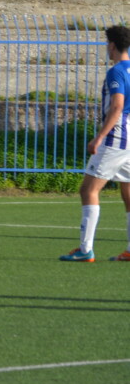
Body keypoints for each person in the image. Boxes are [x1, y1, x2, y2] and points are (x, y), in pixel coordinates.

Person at [60, 25, 130, 263]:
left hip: (116, 138)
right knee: (128, 191)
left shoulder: (116, 71)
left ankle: (85, 250)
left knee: (88, 190)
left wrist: (99, 137)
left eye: (107, 44)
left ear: (112, 45)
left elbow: (117, 106)